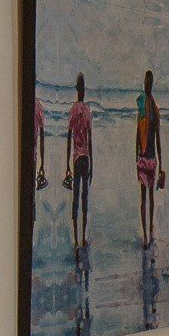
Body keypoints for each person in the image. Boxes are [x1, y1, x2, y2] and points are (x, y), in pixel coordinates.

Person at [65, 74, 95, 254]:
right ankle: (83, 237)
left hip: (76, 159)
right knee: (84, 199)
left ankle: (76, 240)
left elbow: (69, 139)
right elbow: (89, 141)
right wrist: (92, 165)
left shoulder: (72, 111)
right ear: (83, 90)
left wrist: (67, 165)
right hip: (85, 159)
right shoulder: (87, 111)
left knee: (76, 199)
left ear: (77, 89)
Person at [133, 70, 163, 248]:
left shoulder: (154, 109)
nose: (147, 84)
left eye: (149, 82)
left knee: (150, 197)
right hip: (143, 157)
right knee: (144, 197)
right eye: (146, 81)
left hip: (151, 157)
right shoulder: (142, 105)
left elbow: (157, 137)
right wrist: (135, 155)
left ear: (151, 84)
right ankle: (145, 234)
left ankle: (150, 230)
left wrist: (161, 164)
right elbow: (138, 133)